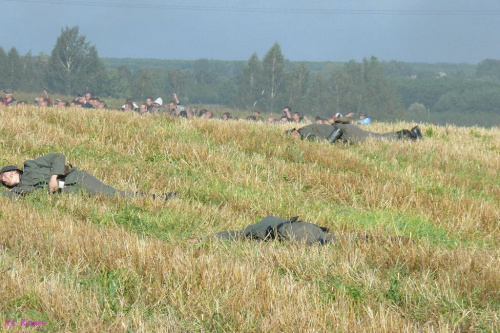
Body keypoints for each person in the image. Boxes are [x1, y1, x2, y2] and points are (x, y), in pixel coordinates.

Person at [0, 153, 177, 200]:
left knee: (113, 195)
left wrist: (54, 177)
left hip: (76, 179)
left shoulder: (31, 165)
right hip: (71, 194)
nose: (4, 180)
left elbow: (58, 157)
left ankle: (159, 198)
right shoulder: (19, 191)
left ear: (14, 171)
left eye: (4, 176)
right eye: (2, 181)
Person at [188, 216, 335, 245]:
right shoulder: (262, 227)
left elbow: (234, 235)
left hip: (290, 230)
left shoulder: (257, 229)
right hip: (307, 227)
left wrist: (204, 239)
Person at [286, 123, 423, 143]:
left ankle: (409, 134)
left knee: (376, 139)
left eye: (292, 136)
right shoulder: (305, 131)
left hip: (345, 133)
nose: (293, 138)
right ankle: (409, 134)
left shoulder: (304, 133)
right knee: (376, 137)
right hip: (346, 131)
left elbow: (324, 143)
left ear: (294, 131)